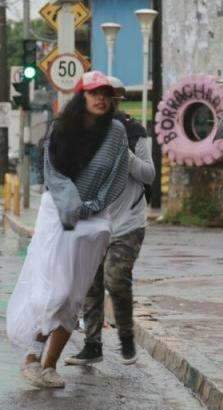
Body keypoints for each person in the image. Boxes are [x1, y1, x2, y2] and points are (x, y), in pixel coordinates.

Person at [7, 71, 129, 388]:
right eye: (94, 93)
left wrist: (95, 205)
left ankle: (49, 365)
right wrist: (74, 204)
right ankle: (32, 356)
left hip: (94, 219)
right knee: (55, 291)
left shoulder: (116, 132)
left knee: (74, 296)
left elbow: (117, 176)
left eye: (106, 94)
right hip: (58, 212)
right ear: (82, 96)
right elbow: (54, 174)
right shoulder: (61, 128)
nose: (101, 99)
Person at [65, 76, 156, 366]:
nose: (105, 102)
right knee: (90, 283)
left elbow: (149, 175)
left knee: (116, 280)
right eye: (98, 96)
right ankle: (92, 345)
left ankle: (126, 337)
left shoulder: (134, 133)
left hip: (128, 221)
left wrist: (124, 153)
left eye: (111, 97)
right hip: (94, 222)